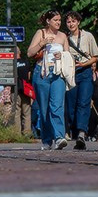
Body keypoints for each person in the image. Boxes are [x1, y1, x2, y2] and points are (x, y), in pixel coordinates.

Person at [26, 9, 70, 150]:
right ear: (48, 21)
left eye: (59, 20)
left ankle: (59, 137)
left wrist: (62, 56)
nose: (58, 23)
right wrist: (42, 43)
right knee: (44, 108)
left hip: (58, 73)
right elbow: (29, 53)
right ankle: (47, 139)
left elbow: (68, 56)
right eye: (55, 20)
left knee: (57, 106)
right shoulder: (41, 33)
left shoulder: (63, 36)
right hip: (42, 73)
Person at [64, 10, 98, 150]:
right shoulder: (64, 38)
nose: (71, 24)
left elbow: (95, 57)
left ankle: (81, 133)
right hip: (71, 73)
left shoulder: (88, 36)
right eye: (68, 21)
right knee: (71, 105)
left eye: (73, 21)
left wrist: (84, 64)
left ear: (78, 22)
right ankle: (75, 130)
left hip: (85, 72)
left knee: (84, 102)